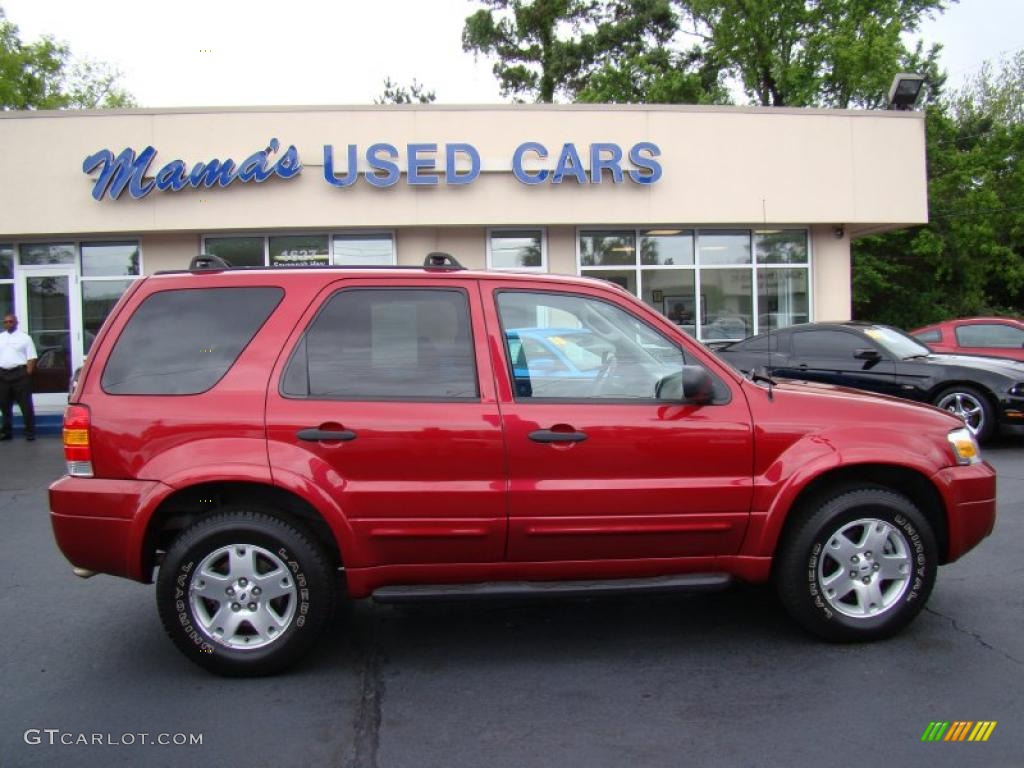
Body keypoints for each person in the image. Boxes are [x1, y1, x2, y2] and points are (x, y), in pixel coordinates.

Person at [0, 313, 37, 441]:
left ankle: (30, 432)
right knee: (4, 405)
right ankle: (6, 432)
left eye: (10, 321)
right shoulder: (1, 338)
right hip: (3, 374)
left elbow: (31, 358)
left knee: (25, 405)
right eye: (5, 322)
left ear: (16, 323)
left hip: (20, 374)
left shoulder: (25, 338)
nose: (8, 324)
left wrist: (27, 374)